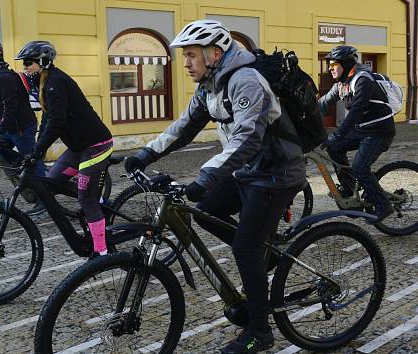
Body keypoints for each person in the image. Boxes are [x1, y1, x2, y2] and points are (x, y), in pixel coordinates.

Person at [123, 20, 306, 353]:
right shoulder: (210, 85)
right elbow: (185, 127)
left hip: (276, 174)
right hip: (247, 172)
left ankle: (260, 333)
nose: (186, 63)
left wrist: (204, 177)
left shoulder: (246, 81)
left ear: (215, 53)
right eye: (185, 56)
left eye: (191, 55)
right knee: (205, 211)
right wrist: (144, 154)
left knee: (244, 249)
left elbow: (248, 138)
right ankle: (265, 253)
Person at [15, 40, 114, 256]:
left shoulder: (55, 83)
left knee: (85, 199)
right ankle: (95, 198)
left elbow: (57, 123)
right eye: (23, 63)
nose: (25, 67)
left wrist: (38, 153)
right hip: (78, 147)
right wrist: (35, 150)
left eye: (28, 62)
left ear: (43, 62)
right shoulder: (45, 82)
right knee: (52, 183)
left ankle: (101, 251)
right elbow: (47, 121)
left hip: (96, 145)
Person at [318, 45, 395, 223]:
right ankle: (348, 187)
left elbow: (356, 111)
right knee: (334, 147)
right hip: (362, 130)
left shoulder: (363, 80)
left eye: (333, 64)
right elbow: (323, 103)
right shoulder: (342, 83)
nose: (329, 67)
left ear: (345, 64)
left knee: (360, 168)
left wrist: (338, 134)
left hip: (379, 131)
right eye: (329, 64)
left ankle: (384, 206)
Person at [0, 43, 45, 214]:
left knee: (32, 161)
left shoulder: (4, 77)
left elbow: (11, 106)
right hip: (12, 127)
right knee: (1, 150)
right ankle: (26, 181)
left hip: (21, 127)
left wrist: (1, 128)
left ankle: (44, 199)